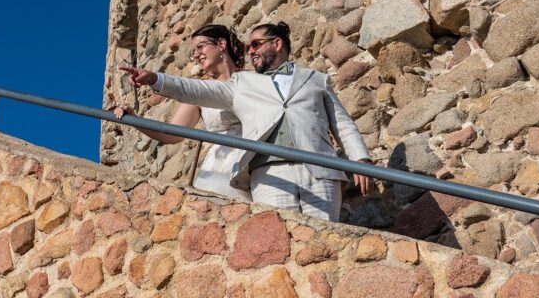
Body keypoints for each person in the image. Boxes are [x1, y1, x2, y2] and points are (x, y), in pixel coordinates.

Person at [120, 21, 373, 222]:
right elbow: (191, 94)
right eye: (248, 46)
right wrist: (155, 79)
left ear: (277, 43)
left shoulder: (314, 79)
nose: (249, 50)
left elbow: (342, 123)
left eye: (256, 44)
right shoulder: (241, 84)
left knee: (328, 242)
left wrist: (361, 160)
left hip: (320, 170)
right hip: (262, 172)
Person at [114, 24, 251, 202]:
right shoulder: (198, 92)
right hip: (220, 170)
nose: (196, 55)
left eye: (200, 47)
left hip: (256, 163)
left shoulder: (252, 80)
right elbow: (171, 134)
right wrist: (132, 119)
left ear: (221, 44)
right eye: (194, 50)